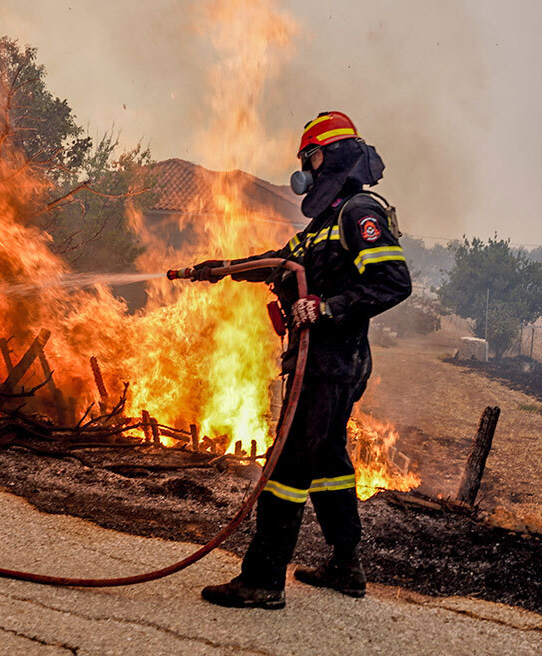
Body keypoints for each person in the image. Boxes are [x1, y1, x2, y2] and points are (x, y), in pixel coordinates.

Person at [190, 111, 411, 609]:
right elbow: (280, 261)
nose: (304, 172)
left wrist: (328, 307)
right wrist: (221, 269)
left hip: (333, 361)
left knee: (287, 464)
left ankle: (263, 581)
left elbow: (393, 282)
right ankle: (345, 565)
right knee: (329, 458)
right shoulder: (320, 228)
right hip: (319, 362)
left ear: (330, 156)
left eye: (309, 158)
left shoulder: (359, 213)